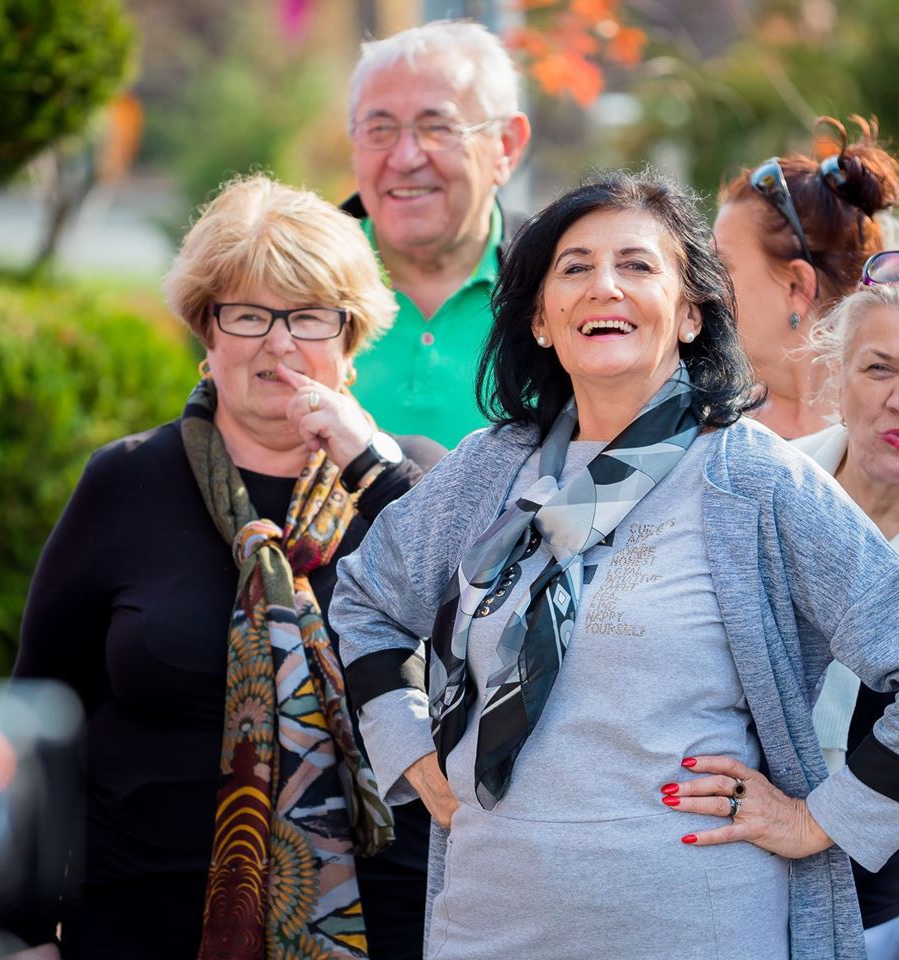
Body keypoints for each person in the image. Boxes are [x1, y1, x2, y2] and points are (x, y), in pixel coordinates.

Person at [332, 171, 899, 960]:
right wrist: (412, 754)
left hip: (698, 925)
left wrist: (821, 820)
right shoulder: (487, 472)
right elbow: (364, 600)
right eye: (574, 267)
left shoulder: (755, 480)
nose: (605, 286)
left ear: (692, 313)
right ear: (539, 318)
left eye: (637, 265)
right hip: (489, 921)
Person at [0, 173, 444, 960]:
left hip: (382, 922)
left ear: (350, 339)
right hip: (140, 916)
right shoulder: (125, 481)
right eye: (248, 314)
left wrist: (365, 467)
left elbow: (479, 630)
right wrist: (22, 930)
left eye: (307, 316)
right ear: (209, 334)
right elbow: (43, 713)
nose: (278, 342)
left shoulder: (409, 485)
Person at [341, 18, 531, 448]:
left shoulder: (563, 292)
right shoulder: (293, 283)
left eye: (437, 128)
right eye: (380, 130)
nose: (405, 158)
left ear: (506, 145)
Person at [794, 267, 899, 959]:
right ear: (838, 376)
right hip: (725, 873)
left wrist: (813, 825)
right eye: (879, 368)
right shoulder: (762, 487)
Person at [714, 115, 899, 438]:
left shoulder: (882, 439)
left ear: (797, 286)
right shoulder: (711, 426)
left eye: (720, 267)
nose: (701, 287)